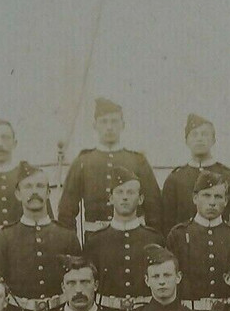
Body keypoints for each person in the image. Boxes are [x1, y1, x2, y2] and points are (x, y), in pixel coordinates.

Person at [0, 163, 80, 311]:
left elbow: (79, 280)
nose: (34, 192)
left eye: (40, 186)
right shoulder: (4, 237)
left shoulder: (66, 236)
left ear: (49, 192)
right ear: (18, 194)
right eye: (28, 187)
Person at [58, 97, 163, 234]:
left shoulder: (138, 161)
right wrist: (71, 246)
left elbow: (154, 207)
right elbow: (66, 211)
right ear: (95, 125)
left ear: (123, 125)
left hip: (134, 237)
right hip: (95, 240)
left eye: (114, 121)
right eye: (103, 122)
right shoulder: (83, 161)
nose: (109, 127)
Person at [84, 165, 165, 311]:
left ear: (140, 199)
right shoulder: (96, 241)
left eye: (131, 192)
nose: (125, 197)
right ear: (111, 198)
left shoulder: (154, 239)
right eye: (120, 192)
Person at [166, 169, 230, 311]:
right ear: (195, 198)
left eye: (218, 197)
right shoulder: (178, 235)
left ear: (226, 201)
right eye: (206, 195)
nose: (212, 202)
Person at [160, 113, 230, 233]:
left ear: (213, 140)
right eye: (194, 134)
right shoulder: (175, 179)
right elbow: (167, 224)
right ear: (186, 141)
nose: (199, 138)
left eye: (205, 134)